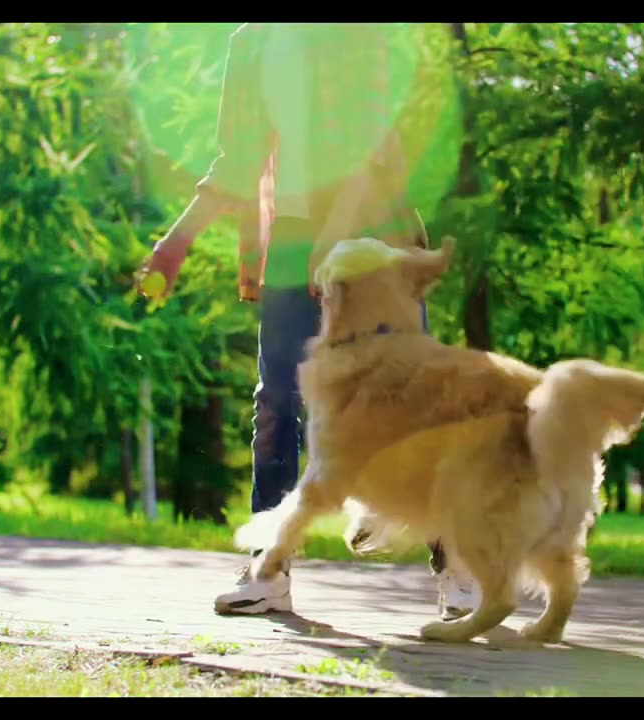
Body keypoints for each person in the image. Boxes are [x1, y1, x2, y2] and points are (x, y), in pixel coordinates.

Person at [138, 23, 478, 620]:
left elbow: (373, 148)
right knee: (276, 400)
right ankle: (269, 570)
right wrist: (175, 243)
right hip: (295, 239)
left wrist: (334, 237)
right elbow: (238, 157)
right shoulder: (251, 43)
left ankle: (456, 565)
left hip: (372, 227)